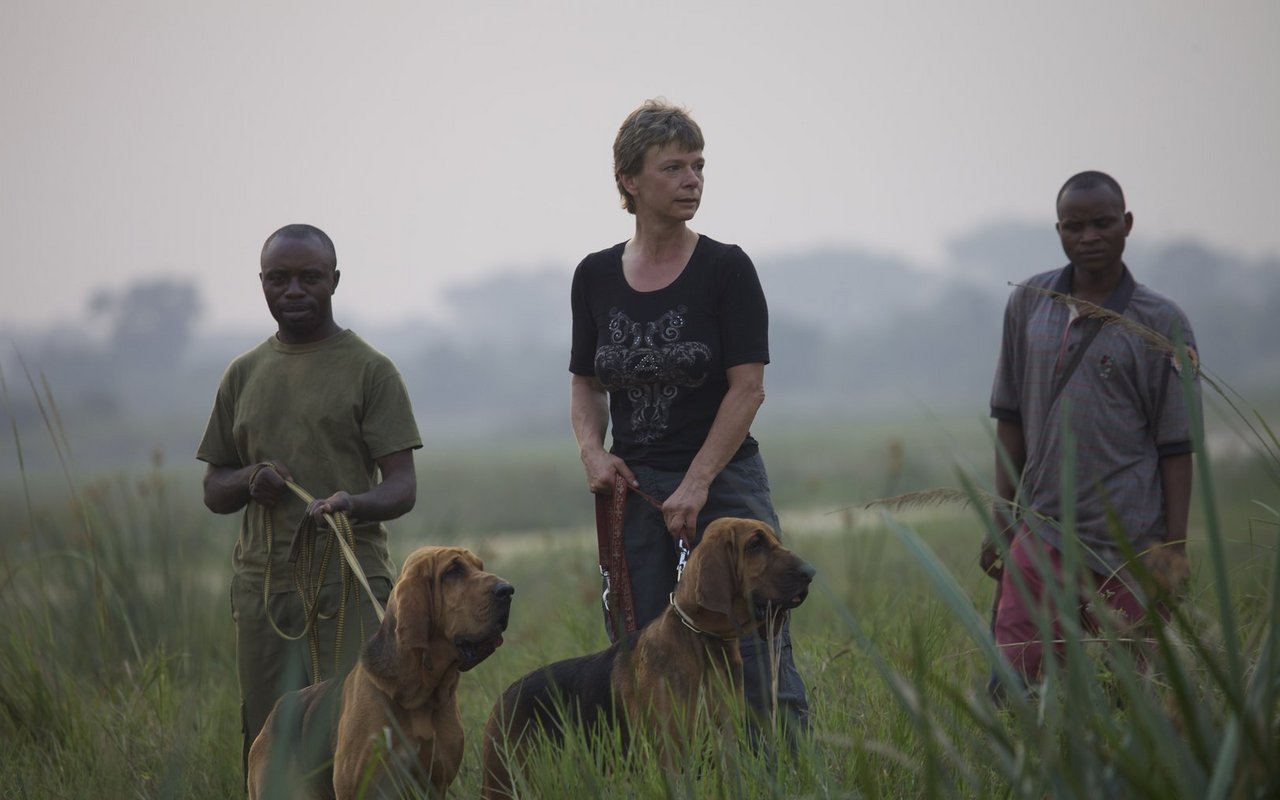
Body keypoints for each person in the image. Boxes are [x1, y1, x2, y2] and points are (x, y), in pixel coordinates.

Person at [569, 99, 809, 736]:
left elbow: (748, 389)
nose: (692, 180)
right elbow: (586, 384)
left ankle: (781, 769)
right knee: (647, 654)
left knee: (756, 649)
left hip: (725, 482)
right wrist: (593, 452)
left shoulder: (726, 269)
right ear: (628, 179)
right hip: (638, 491)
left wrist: (699, 482)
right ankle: (667, 775)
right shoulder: (593, 276)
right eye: (673, 167)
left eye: (698, 166)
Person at [197, 224, 421, 782]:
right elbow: (214, 488)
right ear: (262, 283)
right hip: (264, 588)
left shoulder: (370, 369)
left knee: (360, 736)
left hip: (349, 582)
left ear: (334, 281)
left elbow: (401, 487)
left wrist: (352, 503)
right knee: (270, 739)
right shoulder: (243, 373)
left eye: (309, 277)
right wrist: (250, 478)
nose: (293, 290)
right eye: (279, 278)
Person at [981, 171, 1201, 691]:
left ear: (1127, 224)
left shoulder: (1162, 322)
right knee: (1019, 681)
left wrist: (1173, 548)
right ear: (1058, 230)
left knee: (1140, 690)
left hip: (1132, 539)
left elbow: (1176, 445)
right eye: (1074, 226)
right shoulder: (1028, 303)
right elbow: (1010, 417)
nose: (1089, 237)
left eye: (1102, 223)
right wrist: (1002, 517)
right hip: (1042, 528)